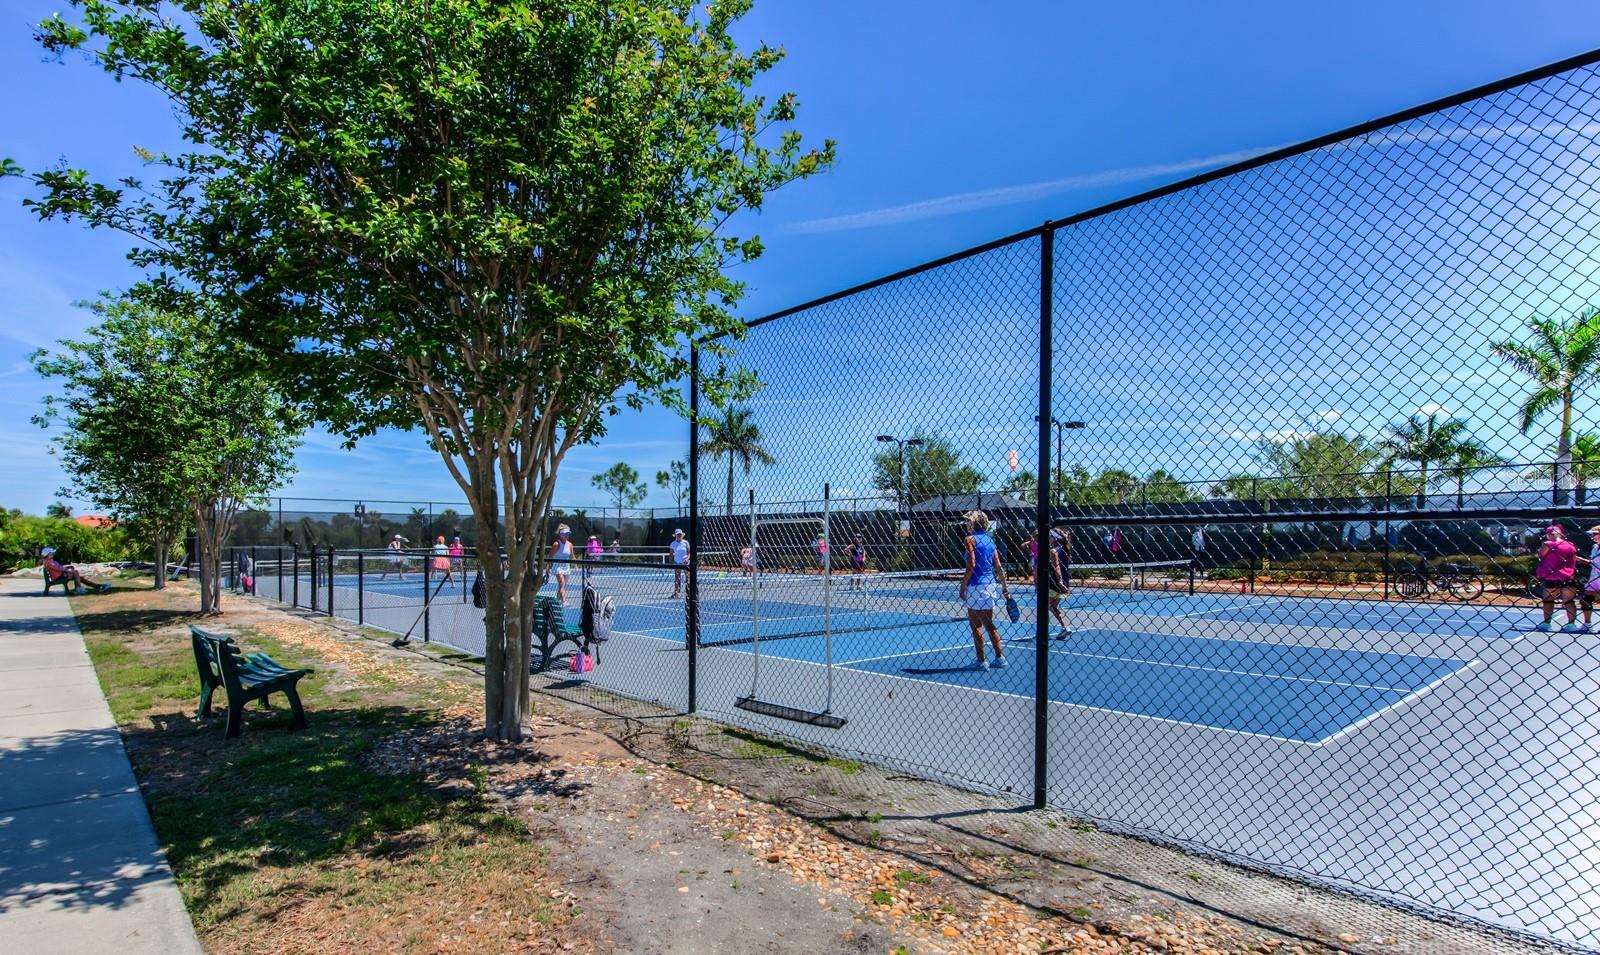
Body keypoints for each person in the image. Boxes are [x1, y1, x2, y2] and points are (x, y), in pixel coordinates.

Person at [959, 511, 1011, 670]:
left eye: (968, 521)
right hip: (990, 585)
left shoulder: (970, 539)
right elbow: (999, 566)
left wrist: (963, 584)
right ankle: (1000, 658)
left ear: (974, 523)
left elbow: (972, 565)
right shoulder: (990, 540)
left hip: (975, 585)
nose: (966, 524)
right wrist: (1005, 588)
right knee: (989, 623)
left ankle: (981, 661)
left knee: (976, 625)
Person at [1534, 523, 1581, 632]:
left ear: (1549, 535)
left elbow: (1541, 555)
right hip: (1568, 576)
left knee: (1548, 600)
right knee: (1569, 601)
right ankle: (1571, 624)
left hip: (1552, 576)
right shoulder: (1570, 545)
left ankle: (1547, 623)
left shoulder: (1548, 544)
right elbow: (1574, 559)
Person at [40, 547, 110, 594]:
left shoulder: (49, 560)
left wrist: (67, 568)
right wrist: (66, 569)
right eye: (51, 553)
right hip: (58, 577)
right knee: (75, 572)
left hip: (60, 575)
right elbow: (58, 568)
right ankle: (78, 588)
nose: (53, 554)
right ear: (47, 554)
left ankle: (98, 586)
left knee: (79, 577)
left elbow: (58, 567)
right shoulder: (49, 562)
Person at [1046, 528, 1072, 639]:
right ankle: (1064, 628)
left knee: (1049, 606)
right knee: (1052, 607)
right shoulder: (1065, 549)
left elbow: (1056, 567)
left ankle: (1063, 628)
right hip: (1063, 580)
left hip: (1054, 582)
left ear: (1054, 538)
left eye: (1050, 536)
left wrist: (1060, 582)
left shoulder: (1053, 551)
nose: (1048, 538)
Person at [1576, 525, 1600, 633]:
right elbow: (1592, 562)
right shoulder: (1595, 547)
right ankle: (1587, 624)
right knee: (1586, 599)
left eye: (1594, 534)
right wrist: (1578, 558)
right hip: (1594, 577)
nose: (1592, 536)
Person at [669, 529, 691, 597]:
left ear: (682, 535)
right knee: (677, 578)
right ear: (675, 535)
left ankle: (689, 592)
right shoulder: (673, 543)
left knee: (688, 577)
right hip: (677, 563)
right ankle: (676, 592)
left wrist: (687, 558)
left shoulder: (686, 543)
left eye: (680, 534)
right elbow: (671, 554)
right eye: (678, 534)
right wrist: (671, 562)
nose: (679, 535)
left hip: (685, 563)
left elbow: (689, 552)